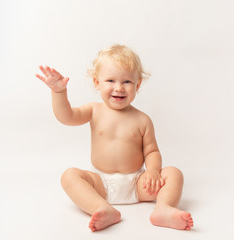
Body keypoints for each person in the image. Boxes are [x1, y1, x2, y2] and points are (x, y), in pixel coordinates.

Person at [36, 44, 193, 232]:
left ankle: (163, 208)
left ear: (138, 85)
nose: (119, 88)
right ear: (96, 83)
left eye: (127, 82)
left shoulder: (142, 120)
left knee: (173, 173)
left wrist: (152, 172)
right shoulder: (93, 110)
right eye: (110, 80)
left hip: (137, 184)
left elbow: (151, 151)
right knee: (69, 175)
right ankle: (101, 208)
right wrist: (59, 93)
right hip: (101, 184)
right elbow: (67, 117)